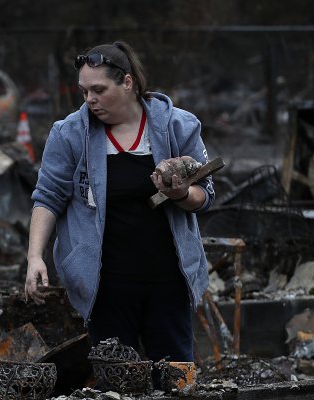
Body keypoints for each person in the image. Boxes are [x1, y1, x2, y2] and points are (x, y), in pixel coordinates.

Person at [23, 41, 215, 362]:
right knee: (116, 382)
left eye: (98, 90)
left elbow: (205, 197)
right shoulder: (70, 134)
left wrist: (180, 193)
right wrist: (34, 256)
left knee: (174, 377)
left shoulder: (177, 126)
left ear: (127, 82)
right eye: (84, 91)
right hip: (105, 287)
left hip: (168, 281)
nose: (90, 100)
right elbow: (48, 197)